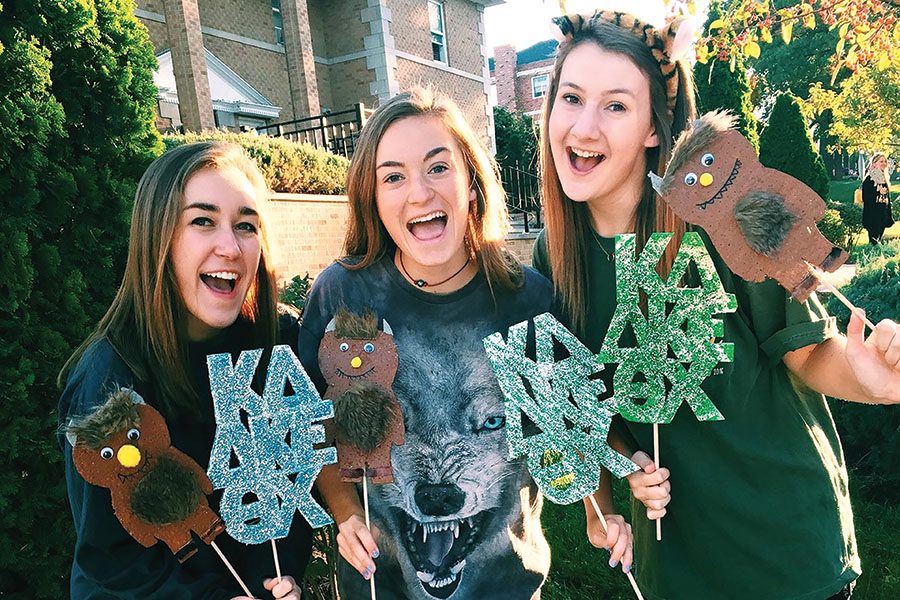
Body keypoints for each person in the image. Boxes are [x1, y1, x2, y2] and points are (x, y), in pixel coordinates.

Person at [532, 10, 900, 600]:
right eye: (571, 98)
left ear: (655, 127)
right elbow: (585, 407)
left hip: (789, 556)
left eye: (617, 105)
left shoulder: (721, 212)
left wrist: (870, 378)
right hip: (675, 568)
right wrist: (619, 477)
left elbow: (806, 353)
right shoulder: (558, 255)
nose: (583, 127)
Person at [298, 87, 634, 599]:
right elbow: (310, 428)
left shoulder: (529, 299)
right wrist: (346, 515)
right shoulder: (341, 295)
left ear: (471, 184)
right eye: (393, 176)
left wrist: (602, 508)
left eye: (438, 167)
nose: (419, 193)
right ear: (374, 199)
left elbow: (574, 423)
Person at [58, 142, 308, 600]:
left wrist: (284, 575)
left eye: (246, 225)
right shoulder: (109, 384)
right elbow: (110, 560)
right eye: (202, 221)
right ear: (160, 238)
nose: (230, 246)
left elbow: (287, 486)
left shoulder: (279, 344)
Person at [862, 153, 894, 245]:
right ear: (874, 163)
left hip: (882, 214)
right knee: (874, 241)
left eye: (885, 161)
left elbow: (887, 198)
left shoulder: (883, 178)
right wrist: (878, 192)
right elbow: (866, 199)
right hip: (873, 215)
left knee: (878, 240)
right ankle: (871, 257)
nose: (884, 163)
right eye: (881, 161)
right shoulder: (870, 179)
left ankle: (875, 256)